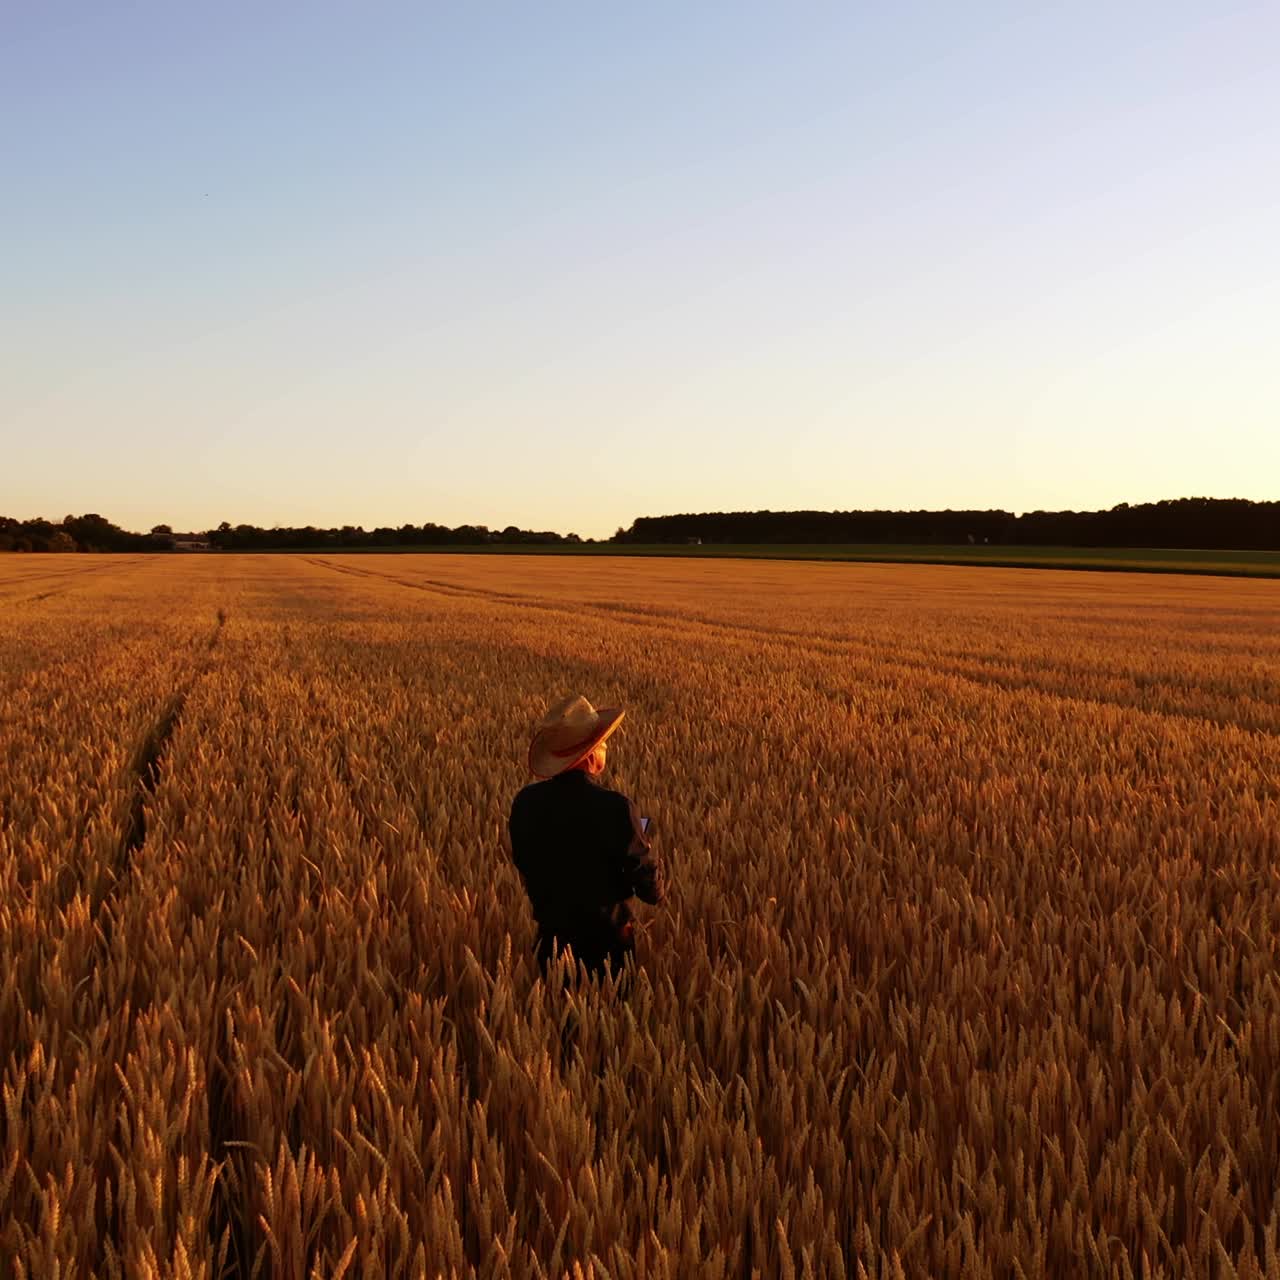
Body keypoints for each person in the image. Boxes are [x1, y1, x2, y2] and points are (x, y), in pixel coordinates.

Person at [508, 694, 663, 983]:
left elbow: (524, 862)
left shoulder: (524, 803)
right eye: (602, 744)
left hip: (552, 941)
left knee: (559, 1024)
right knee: (613, 1021)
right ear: (591, 755)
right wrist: (648, 854)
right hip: (609, 946)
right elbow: (648, 889)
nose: (605, 749)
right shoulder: (617, 807)